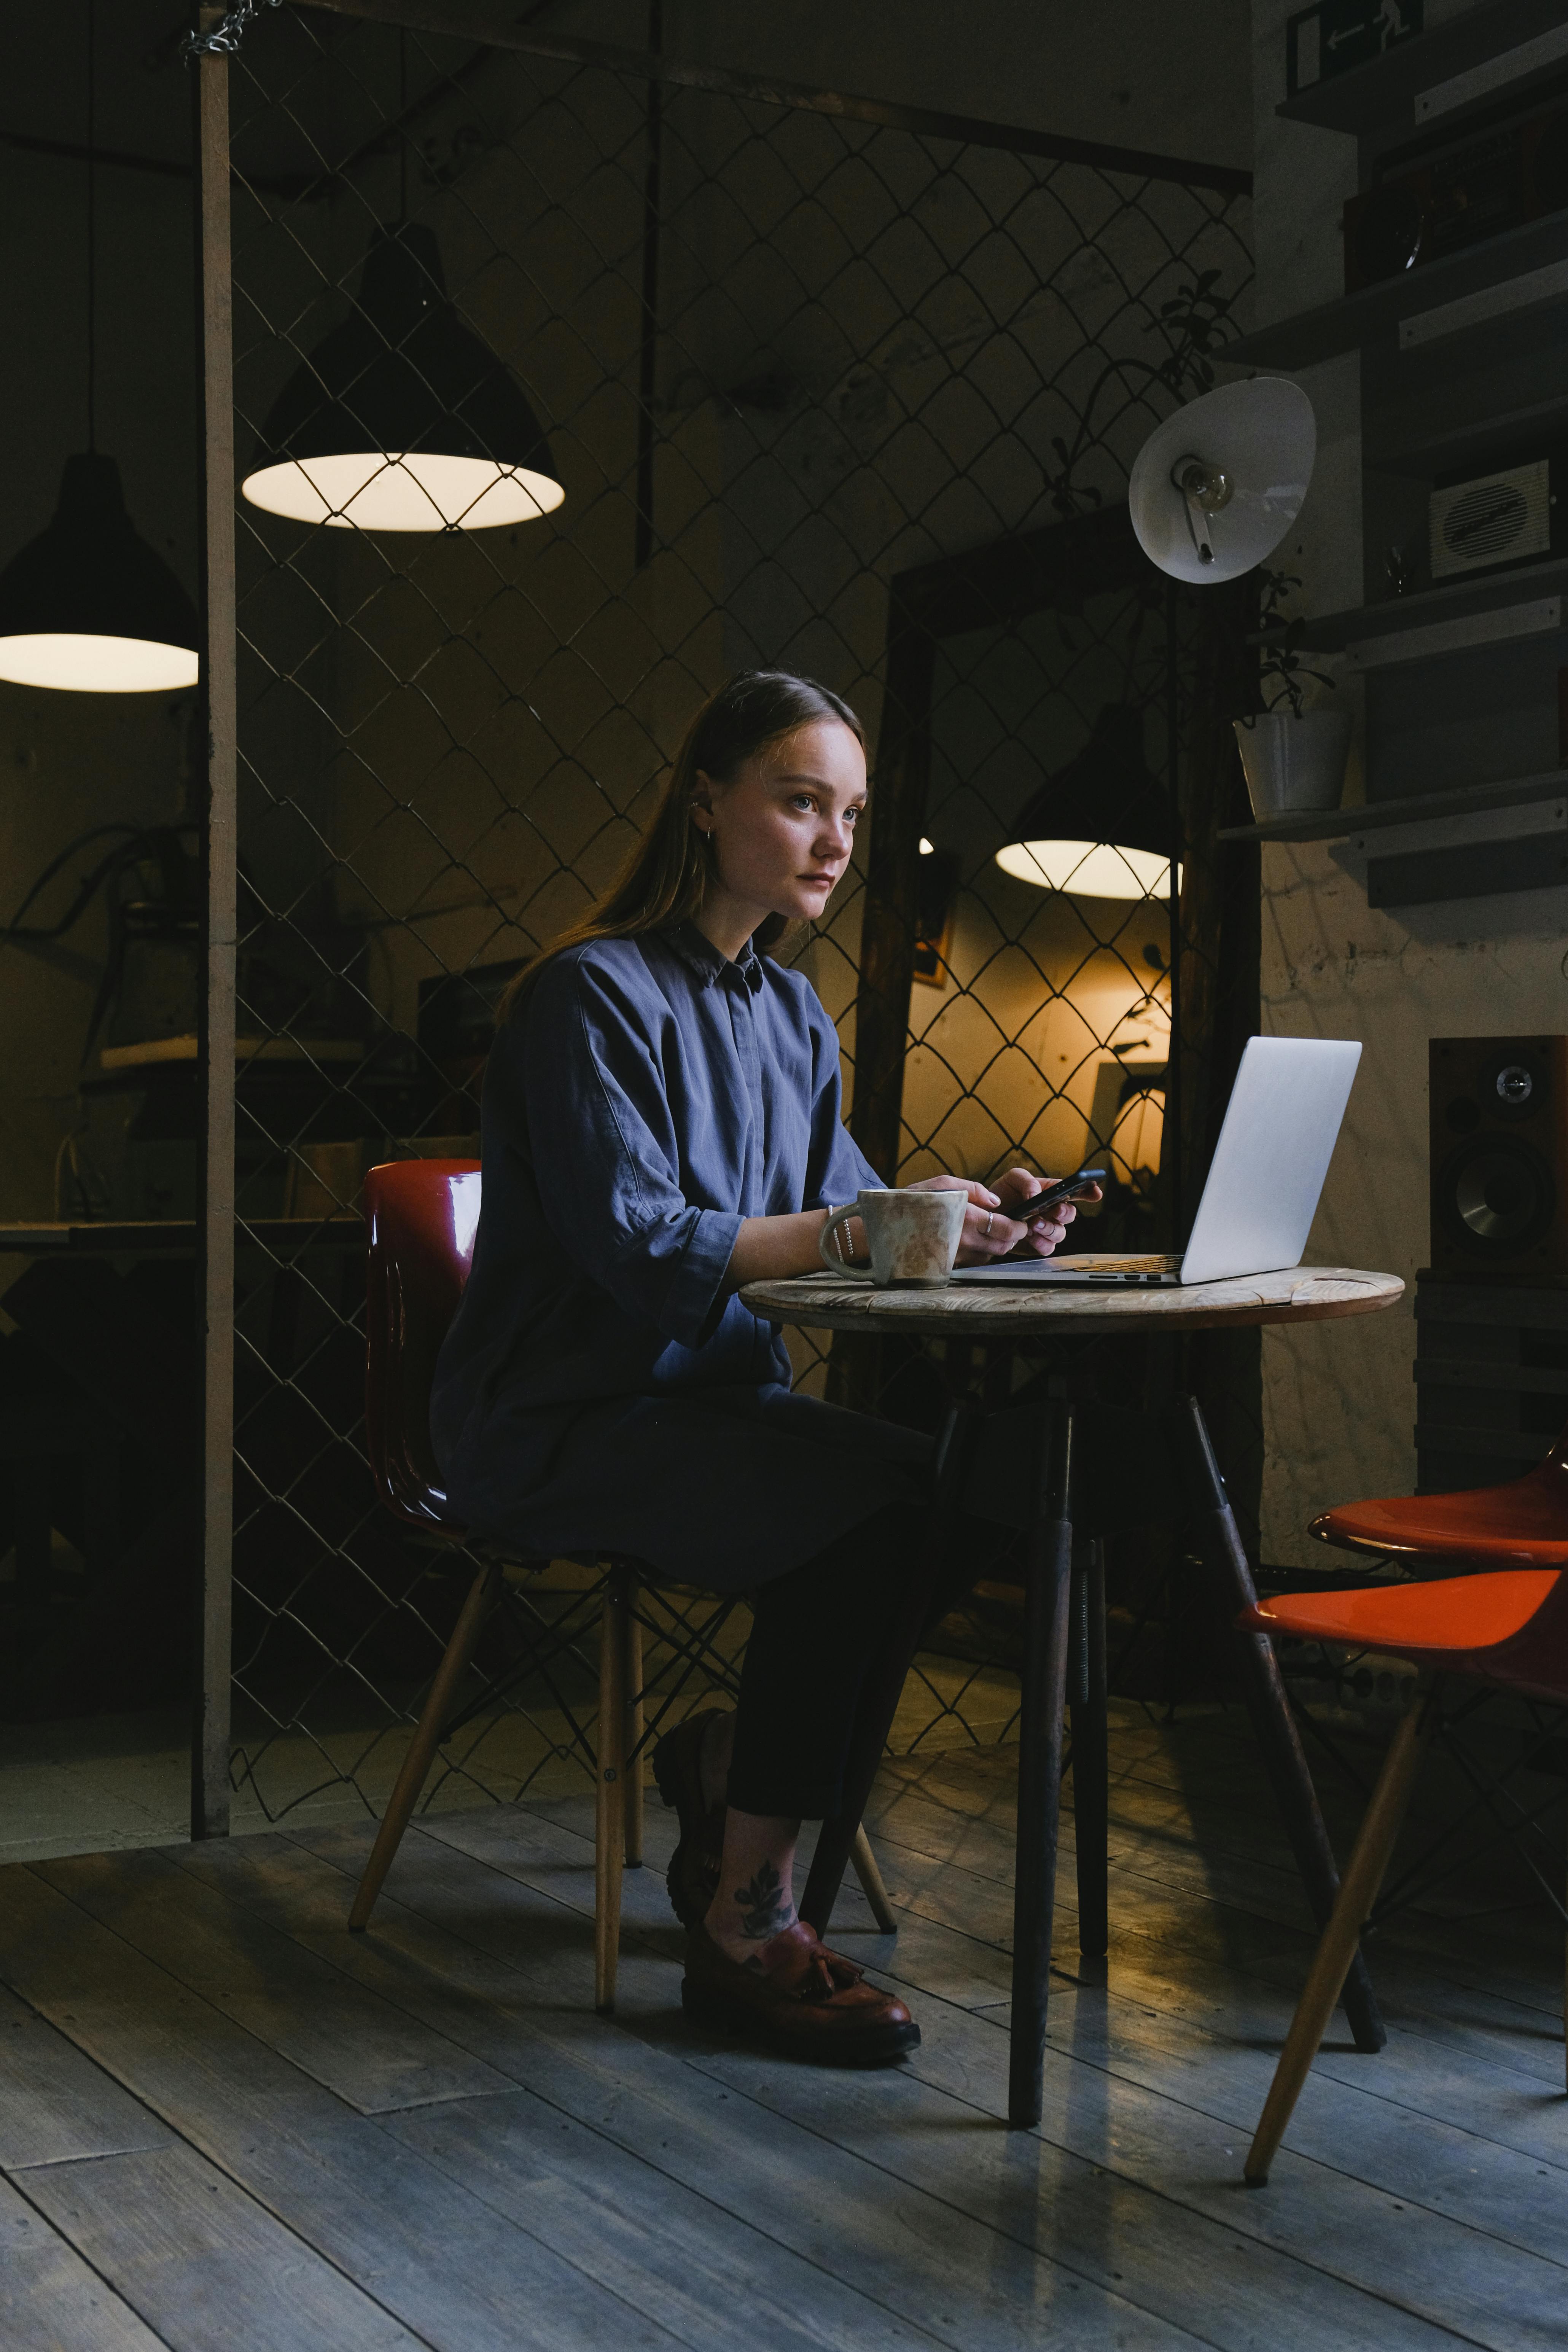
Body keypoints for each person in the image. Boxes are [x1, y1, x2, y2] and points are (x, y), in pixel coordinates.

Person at [431, 670, 1087, 2065]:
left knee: (969, 1488)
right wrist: (865, 1222)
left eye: (849, 812)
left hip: (718, 1412)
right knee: (856, 1534)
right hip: (562, 1423)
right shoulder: (583, 995)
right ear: (705, 802)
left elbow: (843, 1224)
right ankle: (747, 1921)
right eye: (800, 802)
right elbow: (639, 1244)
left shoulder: (790, 1018)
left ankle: (733, 1779)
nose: (836, 842)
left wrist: (980, 1223)